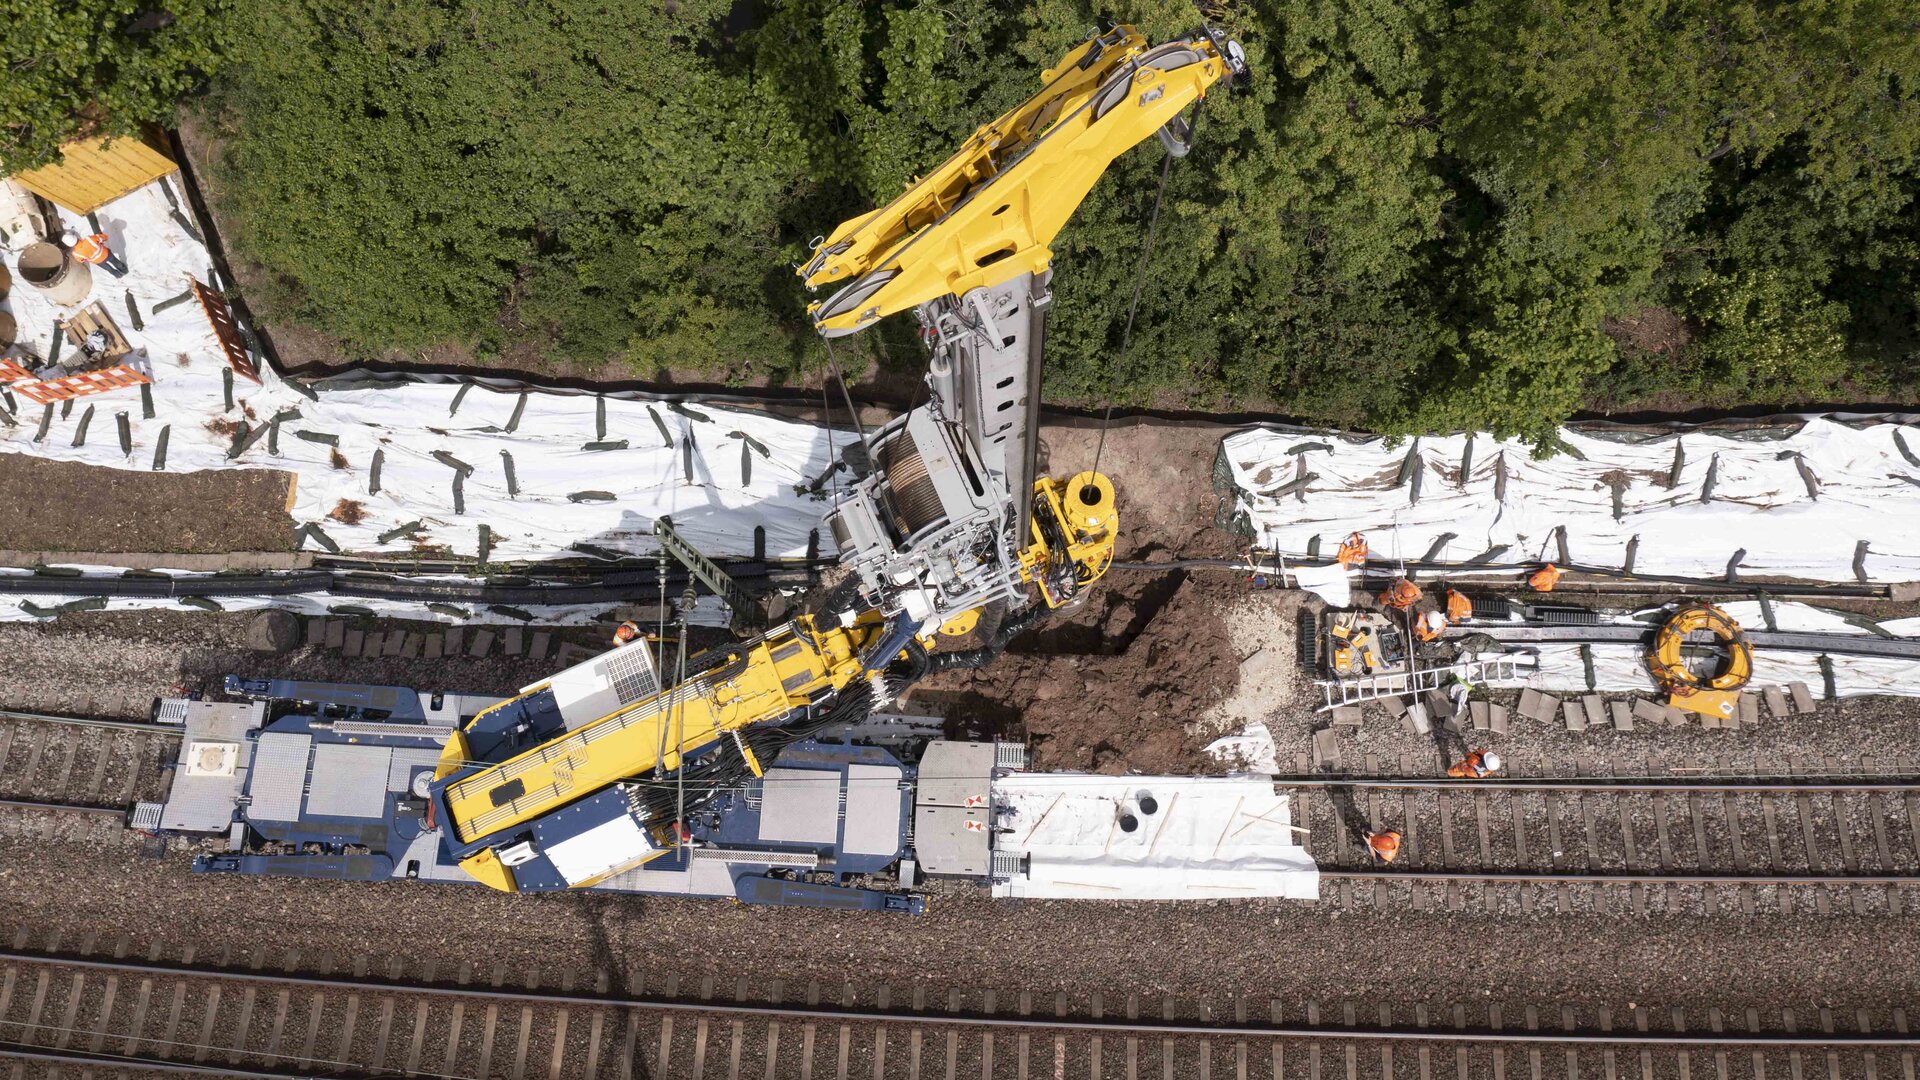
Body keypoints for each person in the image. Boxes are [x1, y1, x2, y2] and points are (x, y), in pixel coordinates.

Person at [63, 229, 127, 278]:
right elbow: (104, 237)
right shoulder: (89, 239)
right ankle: (124, 270)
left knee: (109, 269)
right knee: (115, 261)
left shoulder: (76, 254)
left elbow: (81, 260)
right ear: (75, 237)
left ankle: (118, 275)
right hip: (106, 254)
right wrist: (102, 241)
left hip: (98, 262)